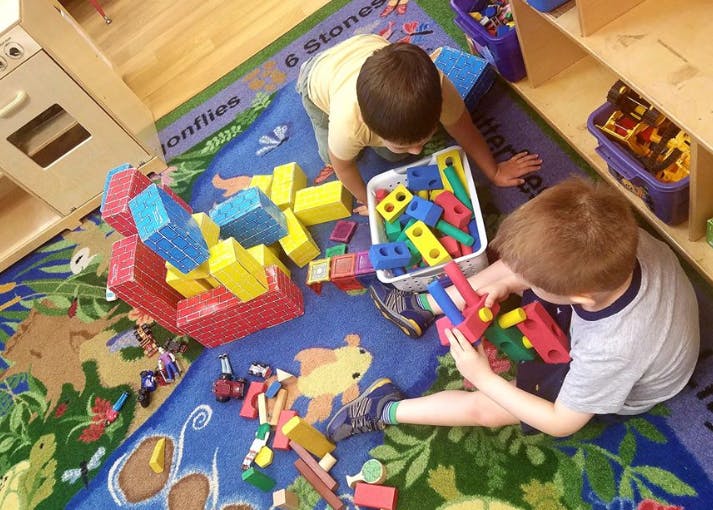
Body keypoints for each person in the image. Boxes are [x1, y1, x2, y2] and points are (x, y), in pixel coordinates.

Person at [327, 177, 700, 440]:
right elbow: (534, 266)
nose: (523, 281)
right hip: (625, 313)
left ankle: (384, 408)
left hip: (624, 383)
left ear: (581, 298)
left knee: (489, 409)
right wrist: (508, 281)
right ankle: (423, 305)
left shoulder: (609, 352)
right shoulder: (615, 236)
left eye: (533, 284)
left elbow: (561, 423)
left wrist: (483, 377)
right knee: (527, 262)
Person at [296, 34, 541, 214]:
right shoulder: (348, 125)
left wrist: (494, 171)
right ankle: (307, 69)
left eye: (424, 139)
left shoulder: (440, 88)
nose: (417, 151)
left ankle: (396, 144)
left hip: (365, 46)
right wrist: (371, 202)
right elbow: (343, 167)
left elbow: (464, 128)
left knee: (394, 154)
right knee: (331, 156)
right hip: (316, 81)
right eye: (404, 145)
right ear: (367, 125)